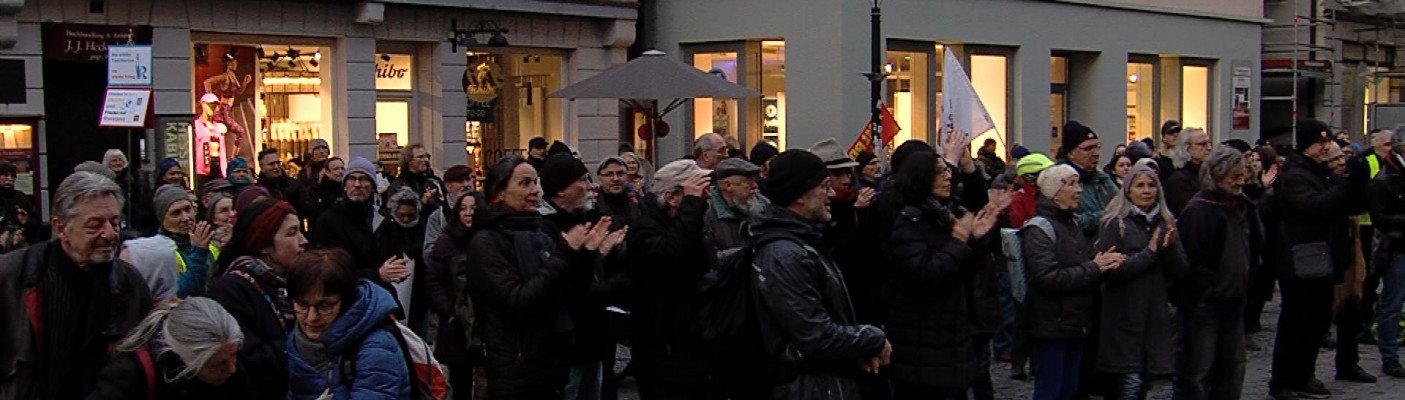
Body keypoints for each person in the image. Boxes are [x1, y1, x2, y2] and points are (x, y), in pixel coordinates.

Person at [0, 172, 156, 400]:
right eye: (95, 226)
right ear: (60, 228)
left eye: (114, 222)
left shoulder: (129, 284)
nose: (110, 234)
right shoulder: (11, 278)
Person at [750, 150, 891, 400]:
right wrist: (872, 338)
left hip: (823, 381)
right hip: (809, 387)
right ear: (801, 196)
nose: (832, 193)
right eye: (825, 186)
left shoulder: (806, 241)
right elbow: (815, 335)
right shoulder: (785, 255)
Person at [466, 156, 610, 399]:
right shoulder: (486, 241)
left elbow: (564, 292)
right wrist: (565, 253)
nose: (535, 191)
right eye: (524, 183)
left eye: (535, 182)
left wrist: (585, 255)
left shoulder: (535, 232)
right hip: (514, 367)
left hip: (549, 362)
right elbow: (518, 300)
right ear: (500, 192)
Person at [883, 151, 1004, 398]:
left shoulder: (944, 213)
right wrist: (960, 241)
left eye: (947, 170)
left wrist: (975, 241)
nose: (948, 177)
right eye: (939, 171)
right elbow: (927, 272)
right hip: (921, 338)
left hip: (949, 333)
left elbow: (962, 269)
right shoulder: (908, 222)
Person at [1268, 120, 1370, 400]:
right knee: (1296, 323)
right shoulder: (1296, 174)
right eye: (1320, 142)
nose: (1326, 147)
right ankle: (1284, 381)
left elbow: (1349, 204)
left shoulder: (1318, 171)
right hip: (1300, 259)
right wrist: (1342, 184)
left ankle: (1304, 375)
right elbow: (1316, 206)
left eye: (1328, 142)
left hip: (1324, 256)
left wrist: (1354, 180)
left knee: (1316, 322)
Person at [1021, 164, 1122, 400]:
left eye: (1078, 183)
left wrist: (1101, 265)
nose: (1079, 190)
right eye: (1072, 184)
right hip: (1051, 325)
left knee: (1070, 390)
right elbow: (1048, 278)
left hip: (1074, 323)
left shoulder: (1072, 223)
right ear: (1055, 191)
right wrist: (1094, 268)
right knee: (1051, 391)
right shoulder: (1039, 229)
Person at [1095, 159, 1188, 400]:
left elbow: (1180, 271)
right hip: (1123, 317)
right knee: (1129, 384)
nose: (1146, 191)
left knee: (1145, 383)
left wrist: (1168, 249)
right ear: (1128, 190)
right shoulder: (1115, 225)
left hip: (1154, 317)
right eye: (1140, 186)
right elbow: (1111, 270)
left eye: (1151, 185)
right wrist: (1150, 253)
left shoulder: (1165, 223)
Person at [1176, 147, 1261, 400]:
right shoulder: (1200, 210)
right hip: (1207, 304)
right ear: (1217, 176)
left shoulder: (1242, 206)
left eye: (1242, 175)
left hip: (1234, 300)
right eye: (1233, 177)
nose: (1240, 181)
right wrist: (1204, 293)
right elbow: (1191, 260)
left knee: (1233, 367)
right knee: (1198, 370)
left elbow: (1254, 245)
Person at [626, 159, 714, 399]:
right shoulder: (646, 229)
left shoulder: (690, 224)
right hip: (662, 347)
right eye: (697, 192)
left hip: (690, 340)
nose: (706, 198)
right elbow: (672, 254)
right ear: (673, 198)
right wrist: (692, 206)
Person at [204, 199, 307, 400]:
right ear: (265, 246)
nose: (303, 241)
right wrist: (308, 342)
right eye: (292, 233)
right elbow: (244, 362)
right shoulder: (231, 291)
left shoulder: (290, 282)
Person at [285, 249, 411, 400]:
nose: (311, 317)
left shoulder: (377, 348)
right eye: (302, 305)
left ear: (346, 301)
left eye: (324, 306)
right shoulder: (295, 339)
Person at [85, 297, 251, 400]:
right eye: (217, 364)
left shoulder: (227, 359)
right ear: (180, 355)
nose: (232, 368)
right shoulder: (131, 375)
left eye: (234, 355)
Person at [310, 156, 408, 297]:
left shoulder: (383, 219)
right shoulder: (329, 220)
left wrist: (397, 270)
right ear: (345, 185)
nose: (357, 184)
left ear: (373, 186)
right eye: (352, 179)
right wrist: (377, 274)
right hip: (348, 298)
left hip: (381, 298)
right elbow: (331, 268)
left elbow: (394, 253)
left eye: (363, 179)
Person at [424, 189, 482, 400]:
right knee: (460, 381)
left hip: (485, 321)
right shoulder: (446, 241)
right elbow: (433, 279)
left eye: (473, 208)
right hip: (456, 323)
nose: (468, 213)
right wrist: (447, 309)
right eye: (463, 208)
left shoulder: (489, 238)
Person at [121, 184, 215, 301]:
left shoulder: (208, 241)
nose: (186, 218)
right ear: (162, 218)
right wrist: (198, 254)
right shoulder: (158, 251)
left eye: (187, 209)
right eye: (176, 213)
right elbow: (179, 292)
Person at [1368, 128, 1405, 377]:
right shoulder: (1384, 180)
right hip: (1396, 248)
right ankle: (1390, 357)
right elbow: (1380, 218)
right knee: (1392, 304)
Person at [376, 186, 429, 331]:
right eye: (402, 215)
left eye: (409, 216)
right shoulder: (385, 230)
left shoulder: (422, 228)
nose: (405, 219)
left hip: (419, 295)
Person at [422, 165, 476, 257]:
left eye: (468, 179)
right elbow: (429, 253)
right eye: (460, 181)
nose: (466, 184)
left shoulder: (484, 209)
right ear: (448, 186)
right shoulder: (438, 217)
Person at [387, 144, 446, 222]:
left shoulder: (434, 182)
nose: (426, 160)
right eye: (420, 157)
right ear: (409, 161)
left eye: (426, 156)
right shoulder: (398, 185)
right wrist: (422, 203)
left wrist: (432, 202)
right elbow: (395, 213)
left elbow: (442, 208)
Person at [1164, 128, 1213, 216]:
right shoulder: (1178, 180)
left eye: (1209, 143)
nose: (1209, 148)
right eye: (1202, 144)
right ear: (1187, 148)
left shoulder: (1210, 174)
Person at [254, 148, 309, 217]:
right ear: (262, 168)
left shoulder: (294, 185)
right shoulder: (258, 191)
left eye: (278, 163)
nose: (276, 167)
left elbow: (307, 210)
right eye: (271, 164)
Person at [0, 162, 40, 251]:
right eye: (5, 175)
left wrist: (26, 222)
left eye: (13, 176)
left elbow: (35, 224)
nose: (10, 179)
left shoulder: (21, 198)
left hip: (19, 244)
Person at [308, 156, 346, 227]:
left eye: (342, 168)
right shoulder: (319, 192)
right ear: (327, 172)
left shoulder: (347, 190)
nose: (340, 172)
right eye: (336, 169)